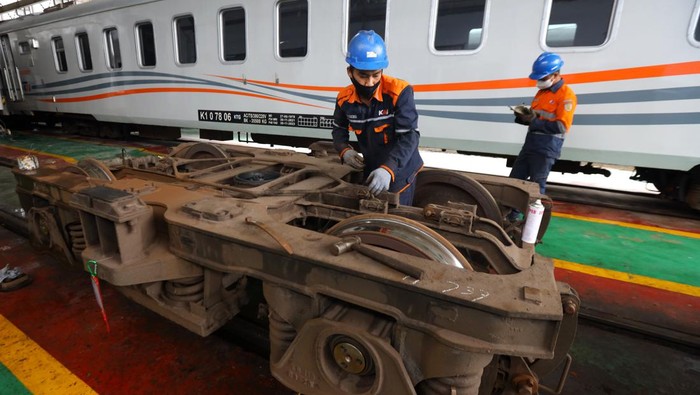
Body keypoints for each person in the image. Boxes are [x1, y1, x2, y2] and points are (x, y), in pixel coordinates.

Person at [332, 30, 423, 206]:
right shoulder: (344, 99)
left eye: (376, 75)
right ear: (350, 72)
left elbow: (410, 136)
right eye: (363, 76)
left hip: (400, 169)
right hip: (372, 166)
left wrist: (388, 170)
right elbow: (338, 129)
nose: (370, 82)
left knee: (394, 221)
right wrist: (344, 150)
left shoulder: (400, 92)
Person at [508, 52, 577, 220]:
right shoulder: (542, 93)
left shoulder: (566, 95)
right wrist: (523, 118)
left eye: (543, 77)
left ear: (555, 75)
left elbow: (561, 126)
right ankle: (510, 217)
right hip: (531, 144)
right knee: (515, 182)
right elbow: (537, 117)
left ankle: (532, 225)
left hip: (547, 147)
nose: (539, 81)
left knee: (536, 188)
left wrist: (533, 121)